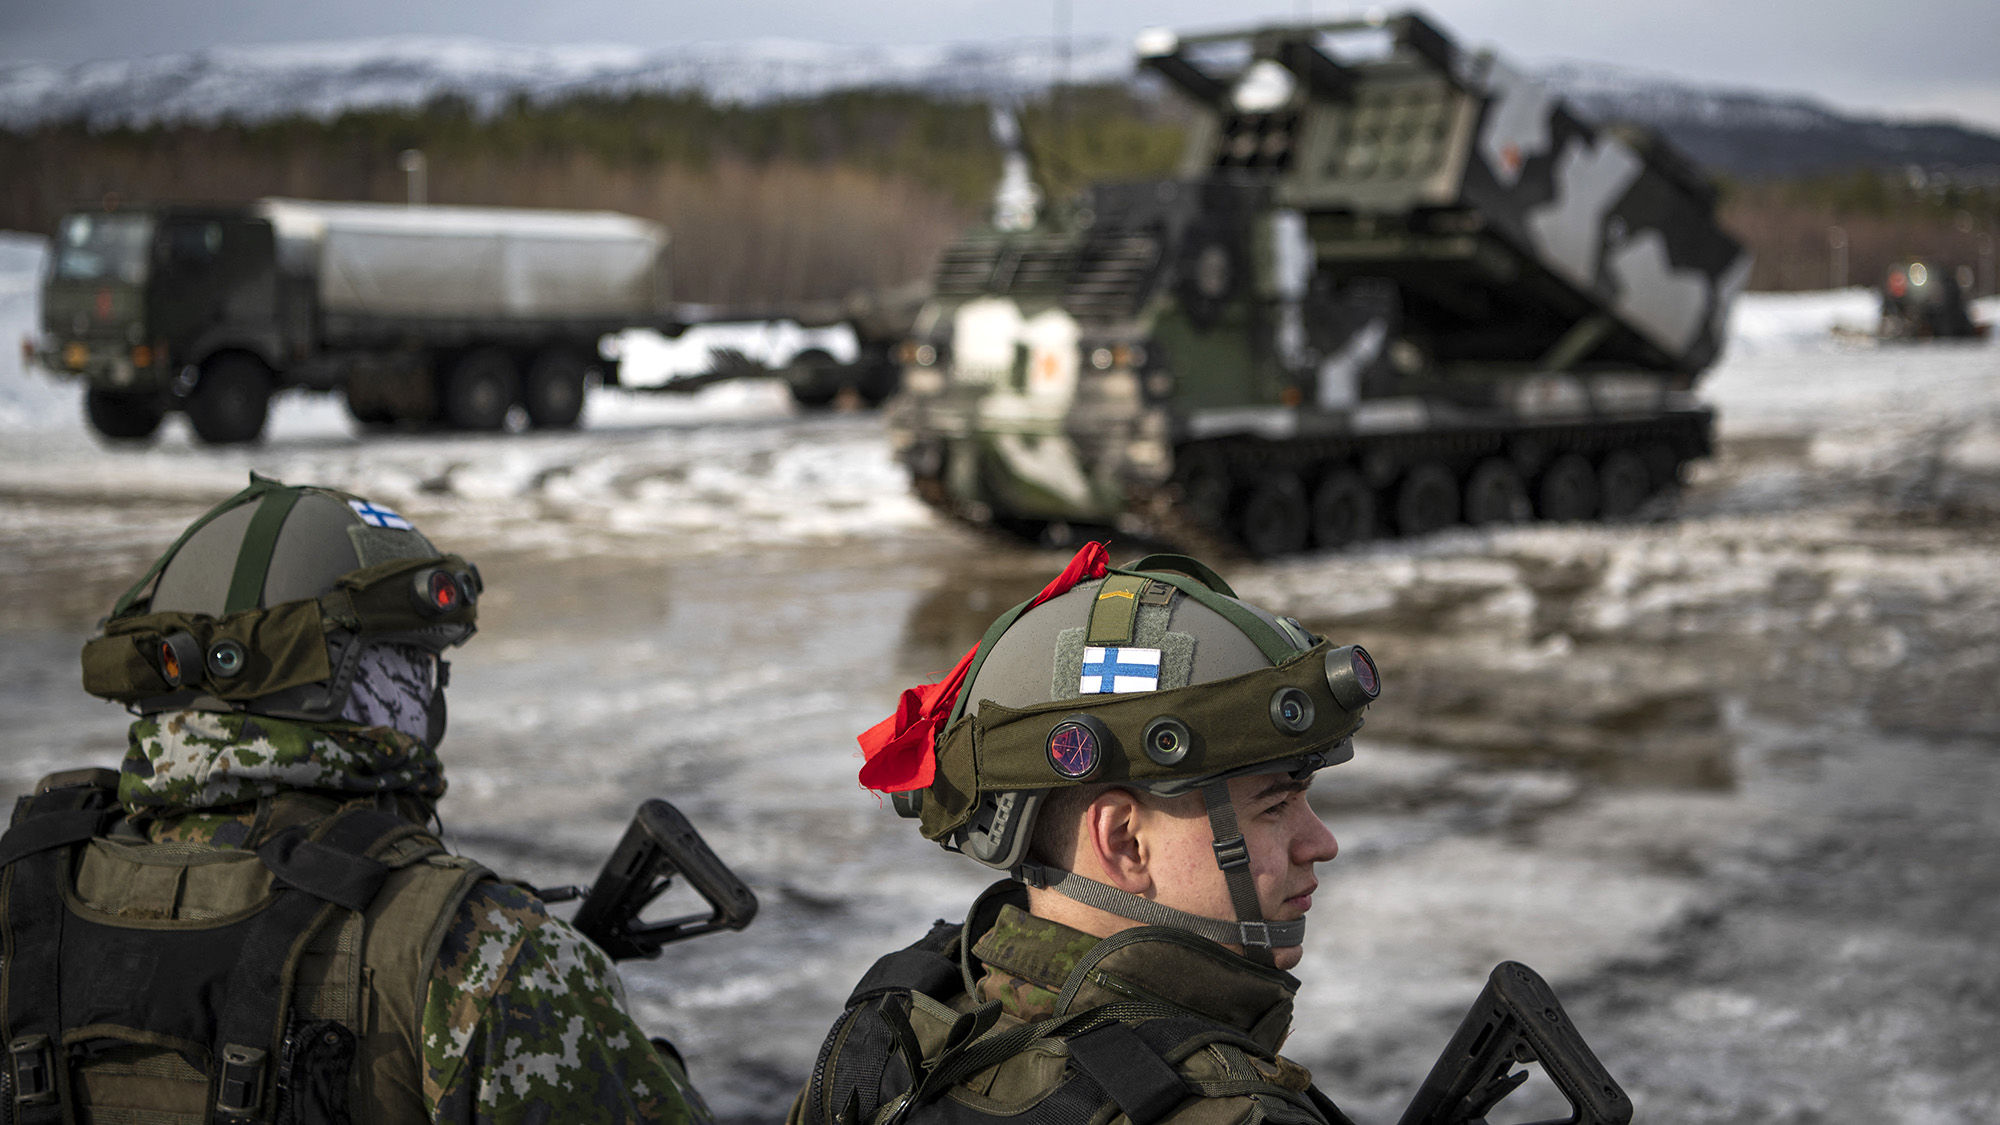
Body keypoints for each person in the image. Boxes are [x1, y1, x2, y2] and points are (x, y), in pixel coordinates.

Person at [0, 473, 710, 1125]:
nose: (428, 703)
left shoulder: (21, 893)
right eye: (410, 665)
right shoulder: (479, 948)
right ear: (322, 679)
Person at [788, 543, 1381, 1125]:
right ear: (1124, 841)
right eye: (1274, 807)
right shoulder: (1229, 1111)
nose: (1320, 843)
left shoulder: (882, 1046)